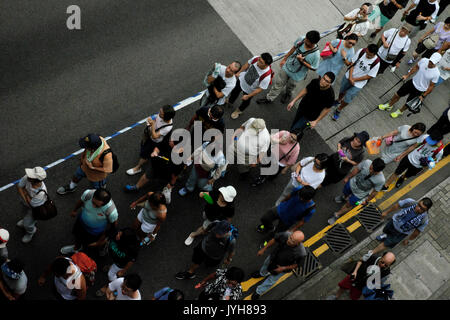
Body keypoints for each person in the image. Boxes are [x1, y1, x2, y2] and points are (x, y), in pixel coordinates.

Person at [256, 30, 321, 105]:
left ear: (313, 43)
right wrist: (284, 59)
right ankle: (269, 98)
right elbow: (293, 48)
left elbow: (314, 68)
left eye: (308, 41)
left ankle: (287, 94)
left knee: (290, 86)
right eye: (306, 38)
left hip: (297, 75)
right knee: (278, 83)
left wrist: (302, 61)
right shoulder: (302, 39)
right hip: (287, 66)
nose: (305, 40)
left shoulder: (316, 55)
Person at [379, 52, 442, 118]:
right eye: (430, 61)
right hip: (412, 82)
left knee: (408, 103)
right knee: (397, 94)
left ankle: (400, 111)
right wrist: (407, 75)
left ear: (437, 63)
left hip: (420, 90)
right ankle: (389, 105)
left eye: (432, 63)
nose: (430, 63)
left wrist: (423, 96)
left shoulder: (436, 74)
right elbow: (416, 67)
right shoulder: (424, 60)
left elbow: (431, 86)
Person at [124, 138, 186, 204]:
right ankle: (136, 187)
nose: (170, 140)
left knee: (159, 187)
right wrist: (155, 152)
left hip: (166, 174)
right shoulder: (168, 143)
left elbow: (175, 174)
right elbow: (158, 146)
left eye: (172, 141)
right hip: (156, 165)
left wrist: (171, 184)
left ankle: (153, 200)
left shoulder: (180, 160)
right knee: (147, 175)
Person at [364, 198, 432, 258]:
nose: (418, 208)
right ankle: (386, 235)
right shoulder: (410, 202)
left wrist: (409, 240)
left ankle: (371, 253)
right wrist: (386, 212)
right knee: (386, 230)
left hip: (401, 233)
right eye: (419, 205)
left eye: (422, 209)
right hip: (393, 222)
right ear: (419, 201)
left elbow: (417, 232)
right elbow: (397, 206)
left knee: (387, 243)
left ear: (426, 210)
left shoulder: (424, 220)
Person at [60, 188, 119, 255]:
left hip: (95, 232)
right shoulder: (88, 194)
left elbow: (112, 228)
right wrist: (74, 210)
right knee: (77, 236)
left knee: (90, 245)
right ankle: (76, 248)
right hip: (81, 222)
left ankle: (101, 247)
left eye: (97, 206)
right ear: (93, 196)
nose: (93, 206)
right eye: (93, 202)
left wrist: (99, 242)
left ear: (105, 204)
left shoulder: (111, 212)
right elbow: (81, 201)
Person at [328, 158, 386, 225]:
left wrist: (366, 200)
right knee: (345, 191)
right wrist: (347, 178)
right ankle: (343, 197)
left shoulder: (381, 180)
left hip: (360, 194)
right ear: (372, 163)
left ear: (379, 171)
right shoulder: (367, 162)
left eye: (374, 171)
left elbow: (375, 192)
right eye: (371, 168)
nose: (371, 171)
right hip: (353, 183)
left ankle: (337, 214)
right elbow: (356, 169)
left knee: (349, 204)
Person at [251, 230, 306, 300]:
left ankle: (258, 291)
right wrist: (263, 249)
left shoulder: (301, 253)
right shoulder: (286, 234)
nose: (289, 240)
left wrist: (283, 268)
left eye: (293, 241)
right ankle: (262, 273)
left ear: (298, 243)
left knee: (271, 280)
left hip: (282, 268)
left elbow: (297, 265)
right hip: (272, 258)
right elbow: (274, 239)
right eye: (290, 237)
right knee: (265, 265)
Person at [332, 44, 380, 121]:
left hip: (358, 84)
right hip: (348, 76)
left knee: (348, 98)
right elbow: (352, 63)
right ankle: (338, 100)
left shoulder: (376, 63)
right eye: (367, 53)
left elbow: (369, 76)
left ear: (374, 54)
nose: (367, 55)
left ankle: (339, 109)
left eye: (369, 55)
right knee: (342, 90)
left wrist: (354, 80)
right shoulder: (362, 51)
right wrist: (351, 77)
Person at [126, 105, 176, 176]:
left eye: (161, 113)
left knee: (144, 154)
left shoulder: (168, 127)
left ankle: (137, 168)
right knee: (143, 145)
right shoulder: (161, 116)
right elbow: (156, 120)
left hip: (154, 142)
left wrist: (152, 125)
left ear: (166, 116)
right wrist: (151, 121)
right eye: (160, 111)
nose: (159, 114)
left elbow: (155, 136)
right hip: (149, 136)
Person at [327, 252, 396, 300]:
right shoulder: (372, 257)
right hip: (355, 275)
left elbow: (379, 282)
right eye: (382, 262)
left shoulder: (386, 272)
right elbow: (360, 261)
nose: (382, 265)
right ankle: (336, 296)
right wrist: (355, 271)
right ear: (381, 257)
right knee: (343, 286)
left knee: (355, 296)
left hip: (362, 285)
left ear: (389, 265)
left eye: (386, 265)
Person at [95, 228, 140, 298]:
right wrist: (99, 242)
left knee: (110, 275)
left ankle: (108, 286)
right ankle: (111, 266)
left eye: (120, 236)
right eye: (119, 233)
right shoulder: (117, 233)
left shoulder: (133, 248)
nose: (117, 235)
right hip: (113, 256)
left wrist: (123, 270)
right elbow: (107, 233)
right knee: (112, 264)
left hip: (120, 264)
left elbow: (131, 260)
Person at [229, 53, 273, 119]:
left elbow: (260, 89)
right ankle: (230, 101)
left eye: (261, 62)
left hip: (250, 90)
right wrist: (239, 72)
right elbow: (247, 64)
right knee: (235, 91)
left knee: (245, 102)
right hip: (242, 80)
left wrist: (248, 96)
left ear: (266, 65)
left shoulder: (266, 76)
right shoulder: (255, 59)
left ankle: (239, 111)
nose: (258, 62)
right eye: (259, 59)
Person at [15, 166, 48, 243]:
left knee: (28, 224)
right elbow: (19, 187)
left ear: (36, 180)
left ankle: (31, 232)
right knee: (24, 213)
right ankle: (25, 221)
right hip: (27, 203)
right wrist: (26, 196)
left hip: (35, 208)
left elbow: (32, 205)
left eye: (31, 176)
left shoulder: (41, 192)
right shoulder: (28, 177)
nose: (27, 175)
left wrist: (25, 193)